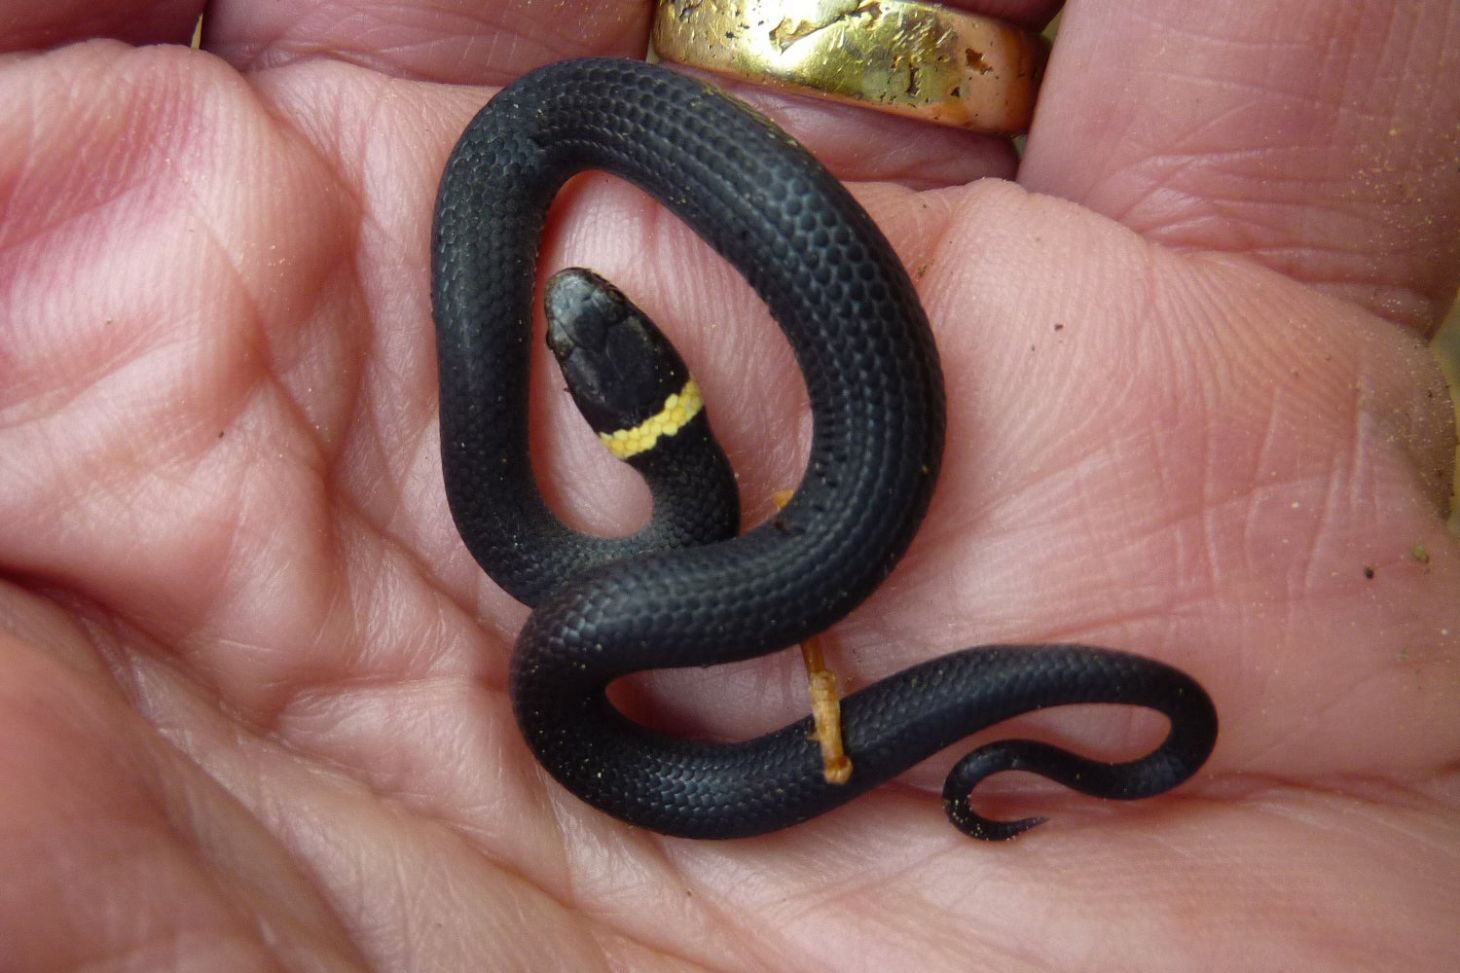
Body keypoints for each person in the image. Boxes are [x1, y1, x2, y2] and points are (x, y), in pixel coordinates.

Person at [1, 1, 1455, 969]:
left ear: (648, 410)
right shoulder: (564, 550)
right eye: (581, 347)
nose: (575, 319)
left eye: (584, 349)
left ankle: (1117, 741)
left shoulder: (572, 555)